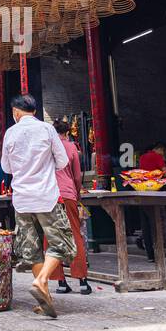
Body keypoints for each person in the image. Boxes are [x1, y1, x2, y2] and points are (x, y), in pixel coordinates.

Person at [0, 94, 75, 318]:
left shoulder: (10, 133)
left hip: (22, 200)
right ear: (34, 110)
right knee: (61, 243)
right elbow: (62, 162)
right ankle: (41, 281)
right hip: (46, 197)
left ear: (15, 112)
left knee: (31, 250)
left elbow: (6, 167)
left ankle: (45, 299)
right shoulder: (46, 129)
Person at [52, 118, 91, 295]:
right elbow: (76, 176)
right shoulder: (71, 147)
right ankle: (82, 281)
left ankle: (61, 281)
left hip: (50, 196)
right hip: (68, 194)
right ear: (67, 132)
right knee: (75, 234)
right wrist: (76, 193)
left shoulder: (48, 147)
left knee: (52, 237)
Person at [136, 142, 166, 261]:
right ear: (160, 149)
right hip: (155, 192)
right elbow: (165, 174)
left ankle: (150, 254)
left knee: (146, 223)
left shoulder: (143, 157)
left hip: (143, 191)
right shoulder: (157, 157)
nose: (164, 155)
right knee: (158, 221)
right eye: (164, 152)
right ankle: (160, 252)